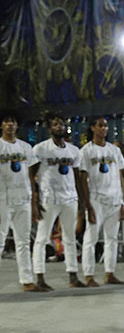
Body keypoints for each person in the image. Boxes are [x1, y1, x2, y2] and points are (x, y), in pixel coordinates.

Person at [31, 111, 87, 290]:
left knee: (70, 238)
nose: (59, 127)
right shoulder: (40, 149)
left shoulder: (74, 150)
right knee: (42, 238)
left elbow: (78, 177)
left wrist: (83, 201)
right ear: (49, 127)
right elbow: (31, 175)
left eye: (62, 124)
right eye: (55, 124)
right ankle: (39, 277)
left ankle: (73, 275)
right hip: (49, 198)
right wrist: (34, 199)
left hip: (70, 198)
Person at [79, 116, 124, 286]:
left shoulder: (114, 150)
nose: (104, 129)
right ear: (93, 128)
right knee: (91, 238)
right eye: (100, 126)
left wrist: (123, 202)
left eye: (106, 126)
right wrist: (87, 204)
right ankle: (89, 275)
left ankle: (110, 273)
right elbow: (82, 178)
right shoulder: (86, 151)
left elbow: (120, 176)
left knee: (112, 238)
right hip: (96, 199)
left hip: (114, 199)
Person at [0, 110, 40, 292]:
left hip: (23, 198)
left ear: (17, 125)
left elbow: (31, 175)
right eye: (6, 122)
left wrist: (33, 201)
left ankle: (27, 281)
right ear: (1, 125)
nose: (10, 125)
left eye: (13, 122)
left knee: (23, 241)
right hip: (2, 199)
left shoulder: (26, 148)